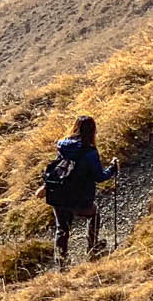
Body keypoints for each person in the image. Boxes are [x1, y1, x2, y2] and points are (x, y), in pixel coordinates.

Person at [42, 115, 117, 269]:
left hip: (57, 195)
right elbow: (99, 177)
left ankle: (61, 264)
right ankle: (92, 248)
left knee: (62, 228)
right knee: (94, 213)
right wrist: (113, 169)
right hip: (78, 197)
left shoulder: (63, 146)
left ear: (75, 127)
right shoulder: (89, 152)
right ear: (92, 131)